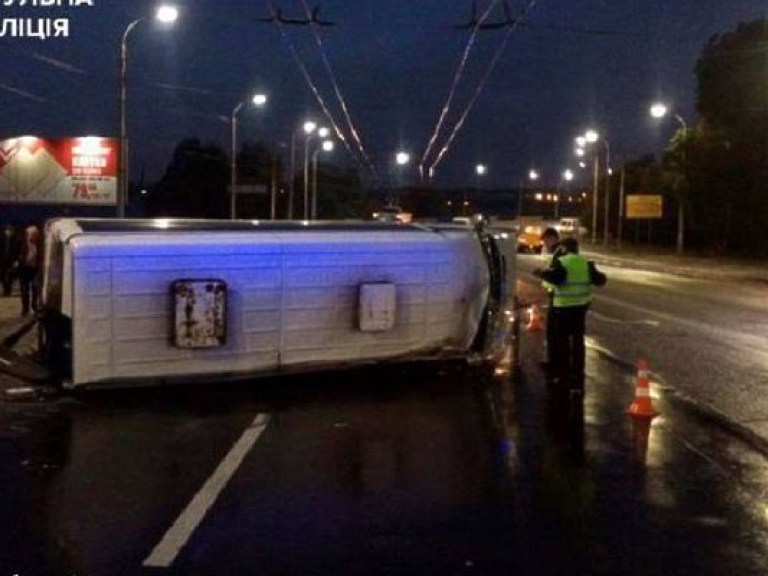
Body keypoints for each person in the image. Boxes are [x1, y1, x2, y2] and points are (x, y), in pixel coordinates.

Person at [534, 236, 606, 398]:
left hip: (563, 308)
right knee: (578, 341)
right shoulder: (585, 262)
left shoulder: (563, 261)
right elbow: (600, 280)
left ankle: (563, 376)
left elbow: (557, 279)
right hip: (580, 308)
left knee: (563, 342)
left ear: (564, 248)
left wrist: (542, 274)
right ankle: (578, 373)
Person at [537, 227, 565, 375]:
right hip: (557, 299)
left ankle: (555, 366)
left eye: (546, 241)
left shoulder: (560, 254)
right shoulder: (558, 253)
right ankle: (554, 363)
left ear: (553, 238)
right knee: (555, 334)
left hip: (560, 300)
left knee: (555, 334)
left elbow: (557, 276)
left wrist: (543, 274)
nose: (545, 245)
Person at [17, 224, 42, 316]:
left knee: (35, 288)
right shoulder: (22, 243)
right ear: (28, 234)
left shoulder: (39, 244)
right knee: (24, 289)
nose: (35, 236)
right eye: (33, 234)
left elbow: (40, 256)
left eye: (36, 234)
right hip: (24, 269)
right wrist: (18, 260)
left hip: (34, 269)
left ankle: (34, 306)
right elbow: (17, 253)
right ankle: (25, 309)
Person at [0, 224, 20, 297]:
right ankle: (5, 290)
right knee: (2, 276)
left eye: (10, 230)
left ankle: (8, 291)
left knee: (9, 276)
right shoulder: (2, 239)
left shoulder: (16, 240)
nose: (9, 232)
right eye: (7, 230)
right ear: (5, 231)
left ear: (13, 231)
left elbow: (18, 252)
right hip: (2, 261)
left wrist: (17, 261)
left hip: (12, 261)